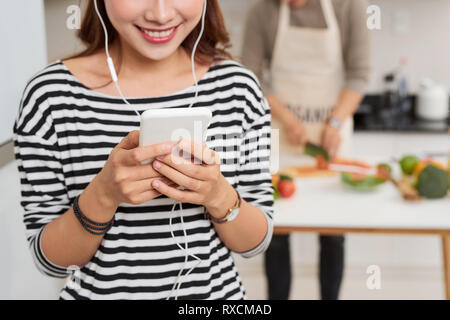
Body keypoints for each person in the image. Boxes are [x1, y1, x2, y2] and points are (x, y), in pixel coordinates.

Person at [12, 0, 274, 300]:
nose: (160, 15)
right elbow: (51, 262)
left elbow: (257, 241)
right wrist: (103, 195)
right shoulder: (49, 97)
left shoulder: (239, 90)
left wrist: (218, 196)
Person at [242, 0, 370, 300]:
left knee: (333, 235)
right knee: (276, 233)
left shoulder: (348, 6)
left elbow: (360, 73)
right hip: (281, 139)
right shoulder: (262, 12)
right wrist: (287, 118)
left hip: (331, 139)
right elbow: (251, 74)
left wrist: (336, 120)